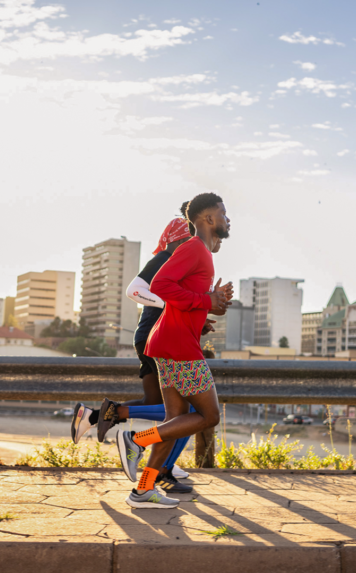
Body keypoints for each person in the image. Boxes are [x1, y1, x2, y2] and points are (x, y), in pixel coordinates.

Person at [70, 205, 218, 494]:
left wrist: (202, 314)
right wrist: (180, 305)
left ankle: (146, 484)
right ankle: (137, 442)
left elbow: (183, 299)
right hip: (164, 339)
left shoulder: (191, 256)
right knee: (189, 416)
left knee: (173, 415)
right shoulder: (174, 253)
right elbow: (141, 289)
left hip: (162, 338)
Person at [117, 192, 232, 508]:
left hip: (171, 343)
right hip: (178, 346)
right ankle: (135, 440)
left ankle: (142, 489)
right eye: (223, 213)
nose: (228, 218)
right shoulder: (193, 248)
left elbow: (186, 297)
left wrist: (213, 303)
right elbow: (160, 286)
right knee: (209, 415)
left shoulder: (202, 254)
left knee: (174, 421)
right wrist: (207, 301)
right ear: (208, 219)